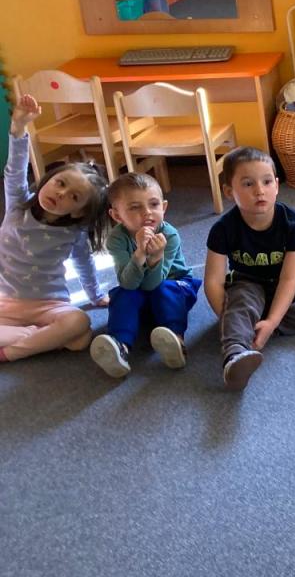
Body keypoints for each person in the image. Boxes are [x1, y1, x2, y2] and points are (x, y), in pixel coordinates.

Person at [205, 147, 295, 390]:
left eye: (267, 181)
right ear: (229, 192)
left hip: (289, 284)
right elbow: (213, 281)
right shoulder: (223, 228)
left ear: (277, 185)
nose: (259, 190)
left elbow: (290, 279)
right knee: (241, 303)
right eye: (248, 184)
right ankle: (235, 355)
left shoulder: (293, 224)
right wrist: (226, 317)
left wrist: (272, 322)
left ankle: (256, 327)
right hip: (247, 283)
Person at [0, 95, 110, 363]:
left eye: (74, 197)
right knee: (78, 340)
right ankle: (40, 337)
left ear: (78, 212)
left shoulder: (74, 232)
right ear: (49, 178)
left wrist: (95, 295)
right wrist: (18, 128)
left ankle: (10, 351)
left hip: (49, 305)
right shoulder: (18, 205)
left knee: (79, 322)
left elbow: (84, 263)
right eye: (60, 183)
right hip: (5, 301)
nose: (61, 193)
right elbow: (14, 171)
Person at [89, 172, 201, 378]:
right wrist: (140, 253)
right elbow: (128, 284)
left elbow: (153, 285)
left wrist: (156, 257)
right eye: (135, 207)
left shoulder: (169, 235)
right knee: (122, 294)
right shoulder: (116, 239)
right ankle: (120, 346)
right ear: (117, 216)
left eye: (154, 204)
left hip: (175, 287)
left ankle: (176, 340)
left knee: (164, 289)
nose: (147, 212)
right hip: (139, 290)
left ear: (164, 207)